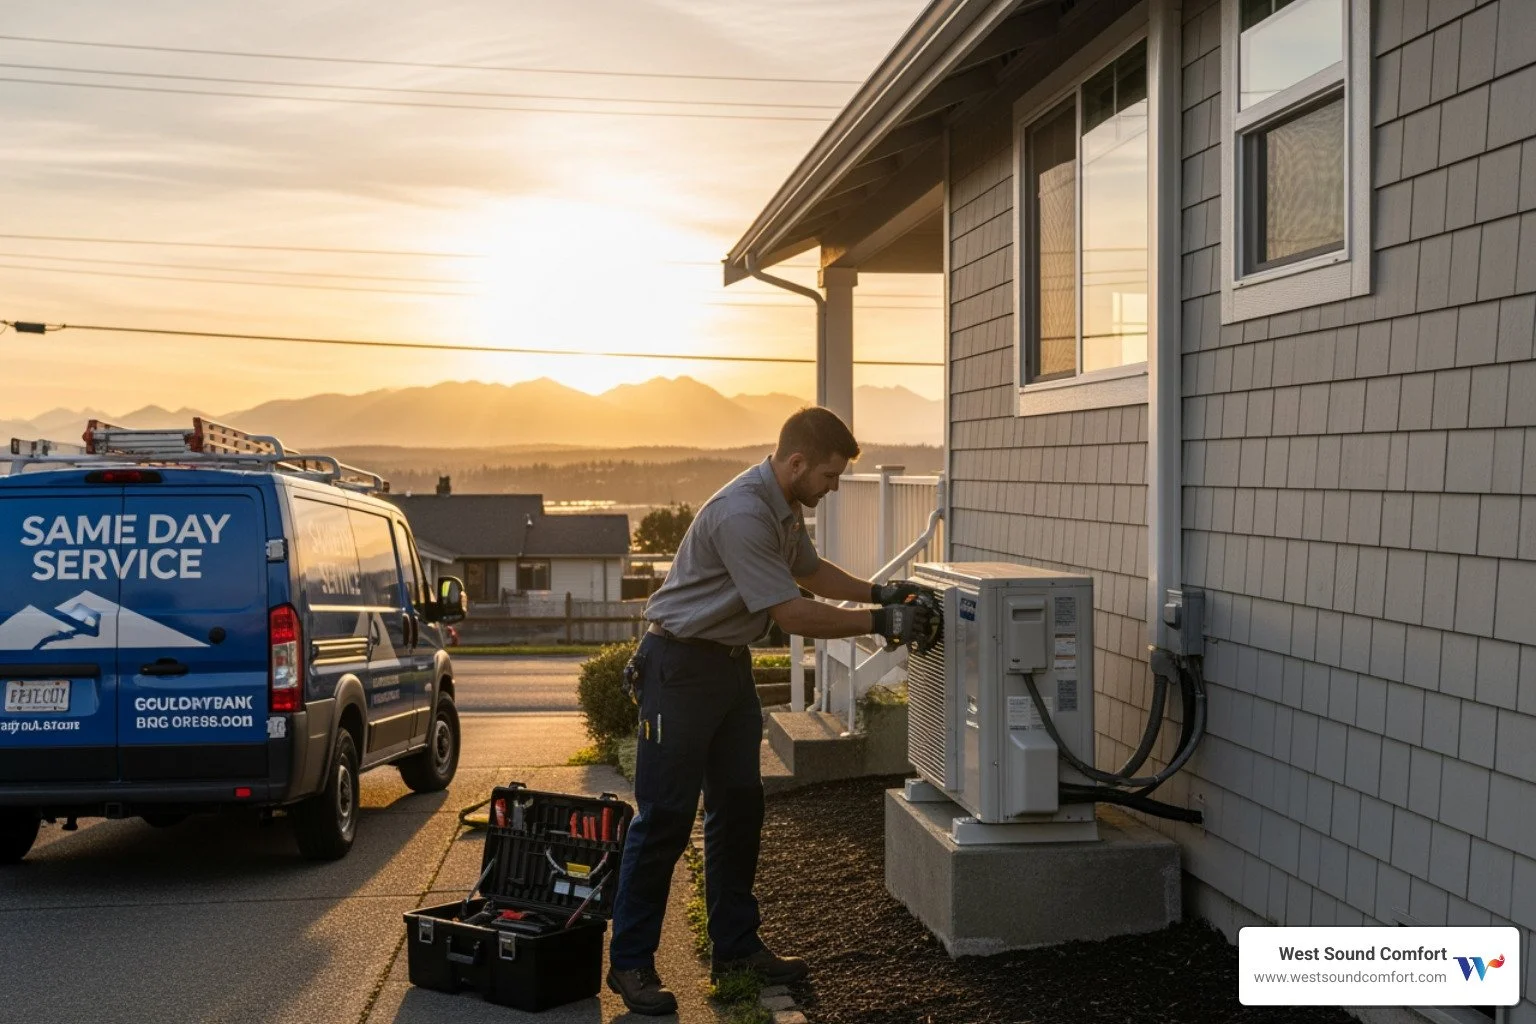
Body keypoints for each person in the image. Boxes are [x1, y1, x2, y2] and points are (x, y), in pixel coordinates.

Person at [605, 406, 936, 1016]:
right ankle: (630, 962)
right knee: (666, 818)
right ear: (796, 462)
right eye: (830, 477)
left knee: (739, 806)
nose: (833, 488)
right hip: (678, 668)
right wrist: (882, 622)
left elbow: (807, 571)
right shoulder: (743, 515)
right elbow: (791, 612)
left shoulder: (782, 508)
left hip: (726, 666)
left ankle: (734, 946)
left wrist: (879, 591)